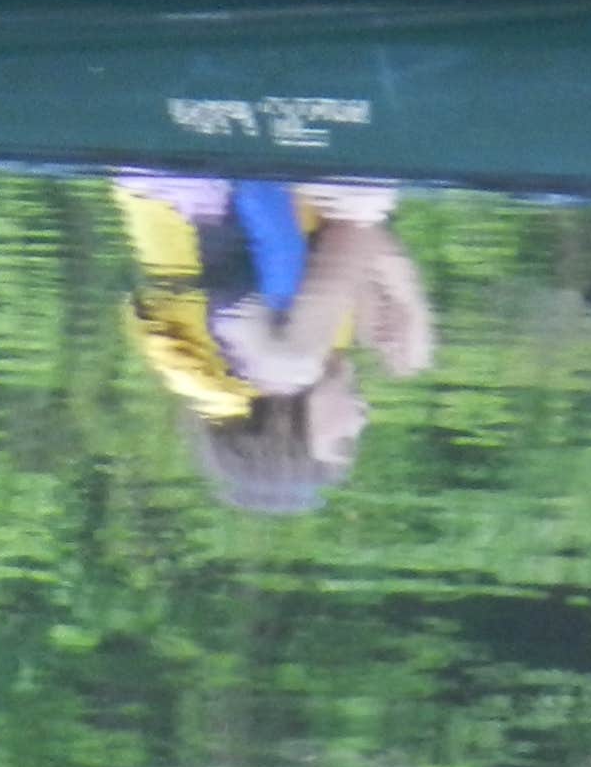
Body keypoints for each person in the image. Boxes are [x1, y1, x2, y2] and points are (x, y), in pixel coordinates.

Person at [111, 175, 438, 514]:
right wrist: (386, 296)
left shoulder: (287, 361)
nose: (361, 421)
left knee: (368, 193)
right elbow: (355, 238)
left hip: (211, 169)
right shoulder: (245, 379)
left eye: (343, 441)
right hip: (168, 175)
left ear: (284, 431)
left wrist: (412, 304)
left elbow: (353, 229)